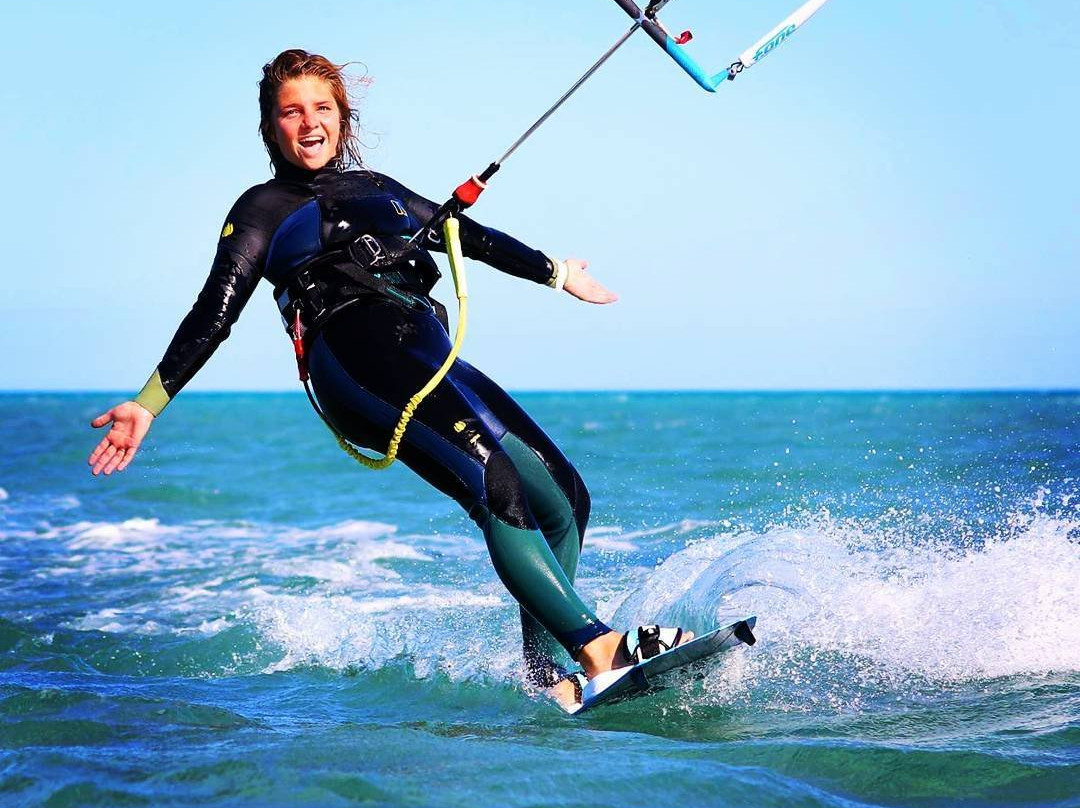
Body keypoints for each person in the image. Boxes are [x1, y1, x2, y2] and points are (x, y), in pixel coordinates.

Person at [87, 49, 690, 709]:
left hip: (425, 354)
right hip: (355, 360)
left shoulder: (377, 188)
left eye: (322, 108)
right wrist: (150, 401)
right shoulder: (263, 208)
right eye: (292, 112)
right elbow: (215, 308)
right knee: (497, 484)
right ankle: (598, 645)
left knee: (564, 497)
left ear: (343, 118)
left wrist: (555, 271)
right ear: (272, 127)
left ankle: (548, 675)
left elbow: (466, 233)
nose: (309, 123)